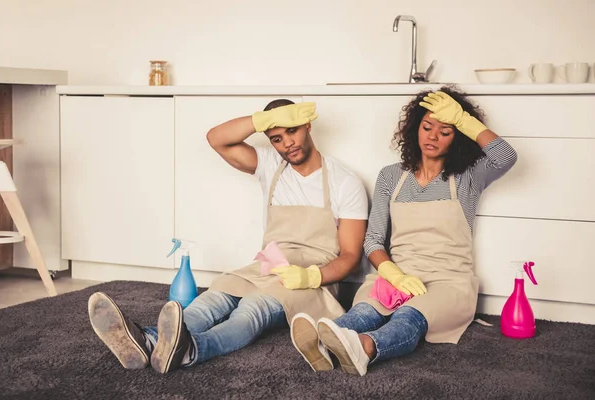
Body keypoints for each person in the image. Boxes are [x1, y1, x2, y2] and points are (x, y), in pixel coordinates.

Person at [87, 99, 368, 373]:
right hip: (269, 264)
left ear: (307, 125)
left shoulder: (344, 182)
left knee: (252, 307)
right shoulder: (271, 166)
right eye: (276, 138)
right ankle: (146, 340)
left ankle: (191, 349)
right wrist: (263, 121)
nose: (287, 144)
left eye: (291, 131)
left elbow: (351, 256)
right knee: (215, 296)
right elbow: (216, 138)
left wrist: (310, 276)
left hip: (313, 278)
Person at [290, 87, 518, 376]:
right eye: (427, 127)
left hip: (449, 281)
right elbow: (372, 240)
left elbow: (506, 156)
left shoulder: (468, 178)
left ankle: (364, 348)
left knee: (408, 317)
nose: (432, 137)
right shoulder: (391, 176)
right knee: (364, 311)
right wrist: (393, 274)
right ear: (414, 129)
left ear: (458, 137)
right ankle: (324, 342)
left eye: (445, 131)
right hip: (398, 274)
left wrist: (464, 120)